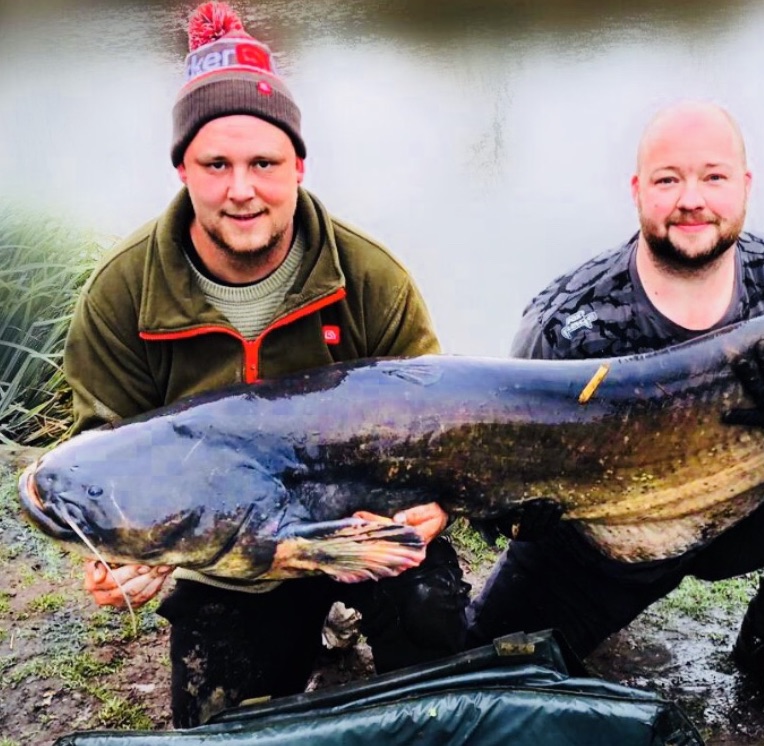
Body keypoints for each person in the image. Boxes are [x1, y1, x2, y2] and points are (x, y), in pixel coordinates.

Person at [64, 2, 469, 728]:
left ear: (299, 165)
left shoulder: (371, 276)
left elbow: (438, 420)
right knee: (223, 721)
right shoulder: (121, 292)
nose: (241, 190)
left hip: (362, 528)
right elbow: (106, 453)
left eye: (264, 163)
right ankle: (294, 634)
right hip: (232, 565)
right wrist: (119, 555)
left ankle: (363, 630)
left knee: (429, 614)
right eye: (215, 164)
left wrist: (437, 501)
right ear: (182, 166)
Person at [467, 101, 764, 724]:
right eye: (668, 179)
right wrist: (509, 509)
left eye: (713, 177)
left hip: (745, 507)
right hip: (607, 541)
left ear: (744, 187)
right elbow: (505, 452)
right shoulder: (566, 322)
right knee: (478, 676)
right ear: (638, 191)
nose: (691, 198)